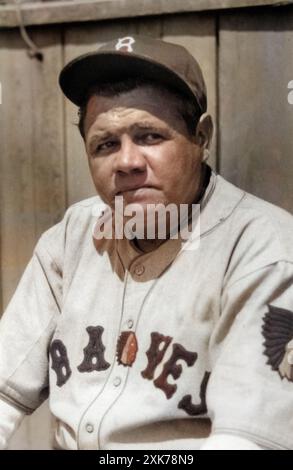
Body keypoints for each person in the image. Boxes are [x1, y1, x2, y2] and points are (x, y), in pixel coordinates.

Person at [0, 34, 293, 451]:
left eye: (150, 137)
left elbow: (246, 442)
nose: (127, 162)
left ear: (202, 136)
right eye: (105, 144)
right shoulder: (72, 237)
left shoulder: (263, 249)